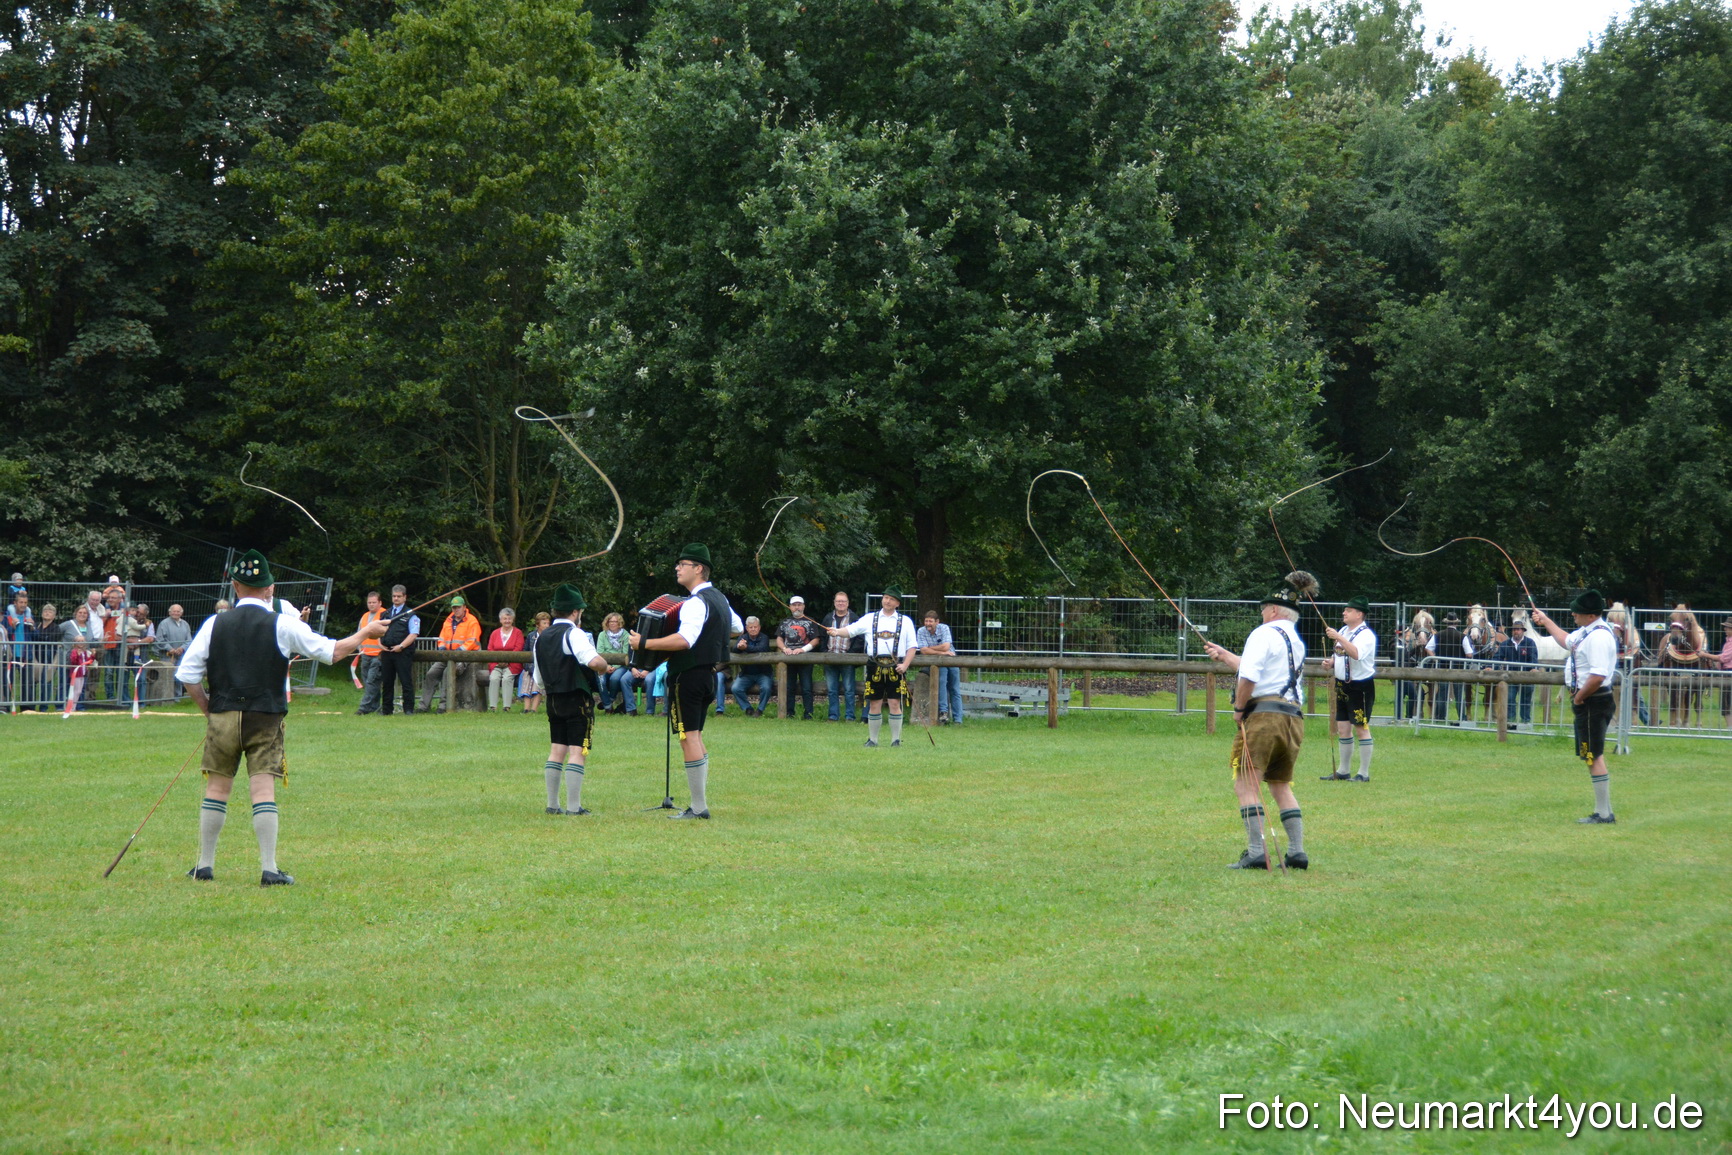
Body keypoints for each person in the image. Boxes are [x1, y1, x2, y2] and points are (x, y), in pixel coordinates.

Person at [177, 550, 388, 884]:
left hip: (223, 716)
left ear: (234, 585)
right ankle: (269, 869)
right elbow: (332, 652)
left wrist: (210, 711)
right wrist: (365, 634)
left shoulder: (214, 623)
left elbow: (188, 674)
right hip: (266, 716)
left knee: (217, 789)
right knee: (262, 791)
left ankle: (204, 866)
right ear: (270, 588)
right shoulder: (283, 623)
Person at [1203, 572, 1314, 870]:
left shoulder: (1262, 633)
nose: (1262, 612)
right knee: (1280, 784)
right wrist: (1227, 656)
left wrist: (1239, 709)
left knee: (1246, 782)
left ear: (1274, 609)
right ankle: (1296, 851)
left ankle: (1256, 851)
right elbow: (1262, 672)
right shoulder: (1295, 639)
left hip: (1264, 718)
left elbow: (1251, 677)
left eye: (1264, 608)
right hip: (1292, 718)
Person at [629, 543, 743, 819]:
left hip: (688, 676)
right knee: (696, 736)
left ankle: (699, 807)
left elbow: (684, 640)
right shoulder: (719, 599)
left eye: (683, 564)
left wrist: (644, 642)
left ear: (699, 569)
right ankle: (698, 804)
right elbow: (736, 627)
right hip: (707, 675)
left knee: (687, 737)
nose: (677, 568)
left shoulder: (695, 602)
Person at [1531, 590, 1620, 824]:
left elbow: (1598, 675)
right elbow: (1565, 640)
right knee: (1590, 753)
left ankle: (1603, 813)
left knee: (1593, 754)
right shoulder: (1586, 632)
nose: (1573, 614)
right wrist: (1546, 620)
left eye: (1578, 612)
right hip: (1588, 700)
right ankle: (1603, 811)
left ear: (1591, 615)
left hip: (1593, 700)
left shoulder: (1599, 637)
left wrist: (1579, 697)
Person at [531, 585, 612, 815]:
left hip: (553, 699)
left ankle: (552, 804)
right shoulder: (574, 633)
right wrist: (605, 667)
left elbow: (538, 678)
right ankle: (574, 807)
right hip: (577, 698)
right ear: (576, 612)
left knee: (557, 749)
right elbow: (593, 661)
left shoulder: (541, 638)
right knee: (578, 751)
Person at [829, 587, 917, 748]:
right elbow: (851, 630)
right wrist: (836, 632)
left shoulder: (905, 621)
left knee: (894, 703)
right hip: (874, 666)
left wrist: (905, 665)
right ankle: (873, 740)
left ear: (897, 603)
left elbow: (912, 647)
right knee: (874, 703)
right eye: (885, 597)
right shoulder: (870, 618)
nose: (887, 601)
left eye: (891, 599)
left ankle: (895, 740)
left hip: (896, 666)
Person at [1320, 596, 1376, 781]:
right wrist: (1331, 662)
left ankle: (1363, 773)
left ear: (1359, 614)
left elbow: (1356, 654)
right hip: (1342, 685)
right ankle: (1343, 771)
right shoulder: (1344, 630)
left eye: (1349, 610)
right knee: (1343, 727)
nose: (1344, 613)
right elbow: (1341, 654)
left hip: (1360, 687)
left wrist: (1339, 637)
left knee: (1360, 727)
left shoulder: (1366, 635)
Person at [421, 597, 482, 712]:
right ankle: (423, 706)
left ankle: (444, 706)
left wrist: (459, 652)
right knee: (431, 674)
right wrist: (442, 648)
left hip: (465, 656)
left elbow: (472, 641)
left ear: (464, 607)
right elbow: (442, 637)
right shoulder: (448, 620)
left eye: (458, 607)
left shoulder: (472, 621)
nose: (456, 610)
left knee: (447, 673)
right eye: (454, 607)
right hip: (448, 656)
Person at [376, 584, 421, 716]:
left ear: (404, 597)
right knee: (387, 682)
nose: (396, 599)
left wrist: (401, 646)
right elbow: (378, 631)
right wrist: (380, 644)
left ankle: (408, 709)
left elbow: (413, 634)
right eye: (394, 596)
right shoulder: (385, 614)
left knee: (406, 681)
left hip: (403, 652)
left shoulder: (411, 615)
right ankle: (386, 709)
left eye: (399, 596)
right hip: (387, 651)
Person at [775, 594, 819, 719]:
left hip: (805, 659)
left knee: (807, 688)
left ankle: (808, 714)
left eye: (799, 604)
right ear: (790, 607)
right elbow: (779, 638)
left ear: (804, 606)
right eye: (794, 605)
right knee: (789, 687)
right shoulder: (784, 622)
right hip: (788, 659)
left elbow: (816, 639)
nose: (797, 607)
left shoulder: (811, 621)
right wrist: (784, 649)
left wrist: (803, 649)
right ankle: (789, 713)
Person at [916, 608, 963, 725]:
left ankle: (958, 719)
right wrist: (941, 652)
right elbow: (923, 650)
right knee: (941, 681)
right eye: (926, 621)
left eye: (930, 621)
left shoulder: (944, 628)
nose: (928, 624)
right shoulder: (921, 631)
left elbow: (946, 646)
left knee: (954, 688)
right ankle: (943, 712)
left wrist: (930, 649)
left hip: (951, 659)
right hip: (936, 662)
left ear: (937, 622)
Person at [821, 591, 862, 722]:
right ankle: (833, 716)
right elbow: (822, 637)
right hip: (830, 658)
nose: (841, 603)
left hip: (847, 658)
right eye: (838, 601)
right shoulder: (828, 618)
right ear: (834, 603)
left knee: (849, 689)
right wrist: (824, 653)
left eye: (843, 601)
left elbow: (860, 638)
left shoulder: (854, 618)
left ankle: (850, 716)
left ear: (848, 603)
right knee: (832, 689)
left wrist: (852, 654)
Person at [1426, 612, 1474, 723]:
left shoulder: (1437, 635)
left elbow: (1428, 648)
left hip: (1442, 668)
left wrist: (1435, 658)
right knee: (1458, 695)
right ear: (1456, 623)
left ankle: (1440, 717)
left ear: (1446, 623)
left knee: (1442, 694)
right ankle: (1462, 717)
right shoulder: (1462, 636)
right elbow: (1469, 654)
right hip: (1458, 669)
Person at [1497, 619, 1538, 726]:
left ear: (1523, 631)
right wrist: (1489, 667)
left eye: (1518, 629)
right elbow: (1497, 658)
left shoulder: (1530, 643)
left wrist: (1533, 667)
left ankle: (1525, 722)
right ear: (1512, 631)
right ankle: (1510, 722)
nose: (1516, 631)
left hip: (1526, 677)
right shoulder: (1505, 644)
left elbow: (1533, 658)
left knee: (1525, 700)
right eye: (1515, 629)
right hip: (1510, 677)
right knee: (1510, 699)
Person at [731, 616, 775, 714]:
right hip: (746, 673)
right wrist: (739, 647)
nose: (753, 629)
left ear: (759, 627)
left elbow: (761, 649)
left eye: (755, 627)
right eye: (751, 627)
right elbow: (734, 650)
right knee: (735, 688)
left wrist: (745, 647)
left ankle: (760, 710)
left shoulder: (764, 637)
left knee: (766, 688)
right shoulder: (743, 637)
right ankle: (748, 709)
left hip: (763, 673)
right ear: (747, 628)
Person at [353, 591, 387, 715]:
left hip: (379, 655)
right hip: (365, 654)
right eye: (369, 602)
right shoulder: (365, 616)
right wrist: (359, 648)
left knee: (372, 681)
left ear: (380, 603)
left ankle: (364, 708)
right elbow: (359, 633)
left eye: (374, 602)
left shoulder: (385, 615)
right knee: (368, 681)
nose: (371, 605)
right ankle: (374, 706)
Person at [486, 607, 525, 713]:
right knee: (494, 678)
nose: (507, 621)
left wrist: (508, 661)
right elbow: (490, 649)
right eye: (505, 618)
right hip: (496, 663)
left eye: (509, 618)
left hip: (512, 664)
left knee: (507, 678)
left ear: (513, 620)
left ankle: (506, 707)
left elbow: (518, 648)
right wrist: (498, 661)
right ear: (500, 620)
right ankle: (493, 707)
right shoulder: (494, 633)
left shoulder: (518, 633)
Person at [595, 612, 633, 713]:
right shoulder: (602, 635)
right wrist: (606, 666)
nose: (612, 623)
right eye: (610, 621)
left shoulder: (626, 635)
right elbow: (599, 653)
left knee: (615, 678)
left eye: (615, 621)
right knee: (601, 680)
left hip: (621, 665)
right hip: (604, 664)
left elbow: (625, 654)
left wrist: (614, 667)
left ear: (619, 623)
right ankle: (608, 707)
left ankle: (610, 699)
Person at [521, 611, 551, 713]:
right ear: (538, 625)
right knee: (527, 678)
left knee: (538, 680)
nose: (547, 626)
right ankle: (526, 708)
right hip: (530, 666)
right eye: (544, 623)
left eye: (548, 623)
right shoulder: (531, 636)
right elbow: (525, 653)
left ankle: (534, 709)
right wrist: (529, 668)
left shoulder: (551, 636)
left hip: (544, 667)